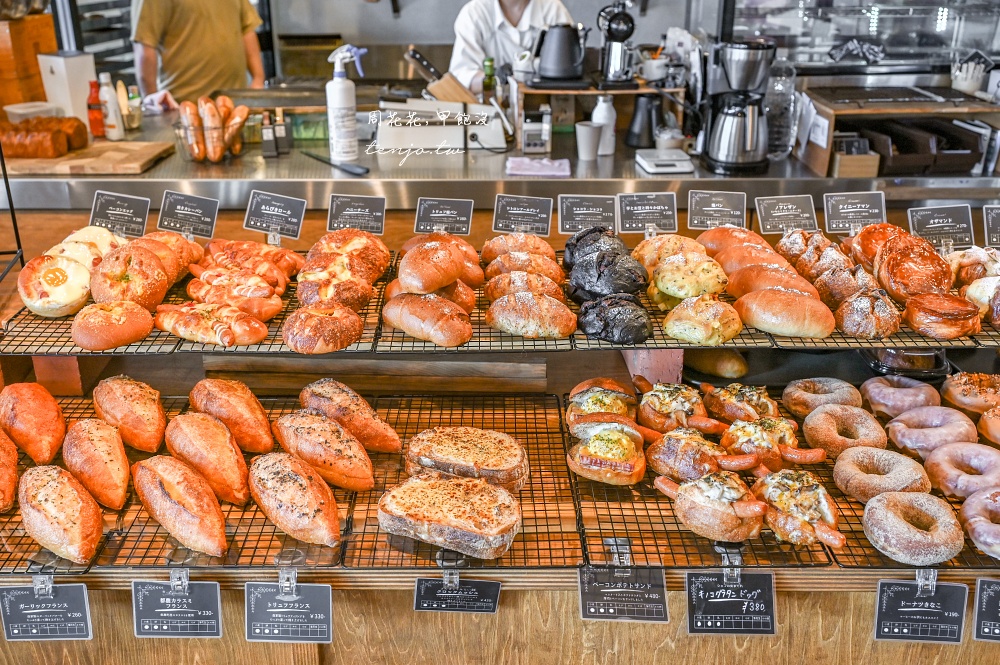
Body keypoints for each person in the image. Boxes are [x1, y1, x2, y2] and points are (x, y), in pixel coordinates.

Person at [130, 0, 266, 109]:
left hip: (235, 104)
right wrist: (154, 103)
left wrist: (258, 79)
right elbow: (145, 47)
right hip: (185, 110)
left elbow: (247, 29)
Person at [448, 0, 573, 93]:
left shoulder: (553, 10)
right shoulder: (474, 13)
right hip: (487, 113)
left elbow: (570, 69)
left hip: (545, 110)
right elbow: (461, 77)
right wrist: (496, 78)